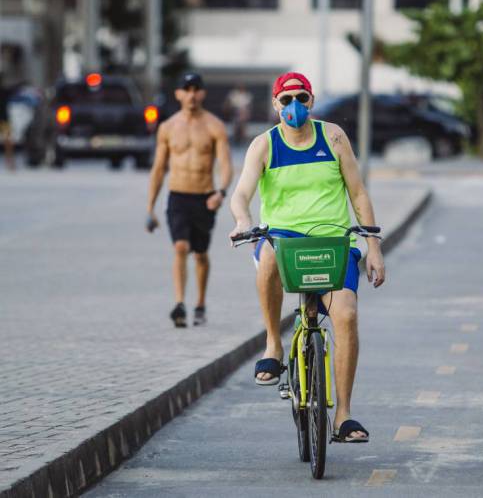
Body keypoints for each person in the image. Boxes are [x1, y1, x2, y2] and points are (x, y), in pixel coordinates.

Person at [229, 72, 385, 443]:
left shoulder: (332, 137)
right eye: (286, 100)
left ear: (311, 100)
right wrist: (243, 221)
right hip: (284, 240)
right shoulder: (263, 145)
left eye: (301, 98)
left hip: (333, 242)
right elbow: (241, 194)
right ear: (275, 105)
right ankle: (273, 344)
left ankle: (343, 416)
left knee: (345, 316)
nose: (294, 106)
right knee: (266, 256)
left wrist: (374, 246)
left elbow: (358, 194)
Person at [146, 73, 233, 328]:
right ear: (178, 94)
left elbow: (226, 165)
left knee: (201, 254)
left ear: (203, 93)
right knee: (181, 248)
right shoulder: (168, 127)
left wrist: (221, 192)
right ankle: (180, 303)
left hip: (205, 197)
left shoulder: (214, 126)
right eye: (187, 89)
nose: (192, 94)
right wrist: (150, 207)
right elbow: (159, 168)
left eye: (196, 89)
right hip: (177, 196)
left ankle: (201, 303)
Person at [0, 74, 15, 171]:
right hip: (5, 119)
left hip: (5, 120)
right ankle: (10, 163)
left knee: (8, 142)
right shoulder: (5, 91)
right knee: (8, 142)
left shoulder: (5, 91)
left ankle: (10, 162)